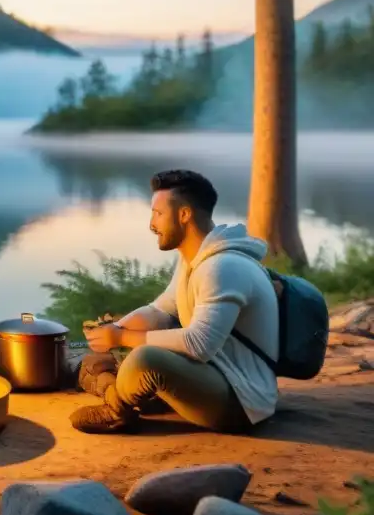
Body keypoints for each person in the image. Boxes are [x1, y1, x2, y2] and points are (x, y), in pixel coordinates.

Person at [70, 169, 279, 435]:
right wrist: (113, 332)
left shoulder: (222, 268)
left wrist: (122, 339)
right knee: (102, 358)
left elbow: (198, 345)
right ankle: (127, 390)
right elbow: (161, 311)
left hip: (241, 402)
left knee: (145, 359)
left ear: (184, 214)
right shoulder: (195, 259)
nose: (151, 224)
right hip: (212, 376)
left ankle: (117, 410)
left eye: (158, 214)